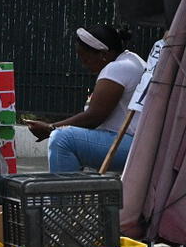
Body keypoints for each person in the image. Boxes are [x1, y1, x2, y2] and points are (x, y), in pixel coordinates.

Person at [26, 25, 146, 172]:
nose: (83, 64)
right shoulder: (132, 60)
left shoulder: (117, 68)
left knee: (62, 138)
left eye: (85, 57)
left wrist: (51, 128)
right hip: (136, 143)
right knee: (74, 136)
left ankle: (63, 195)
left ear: (103, 54)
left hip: (131, 145)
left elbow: (93, 118)